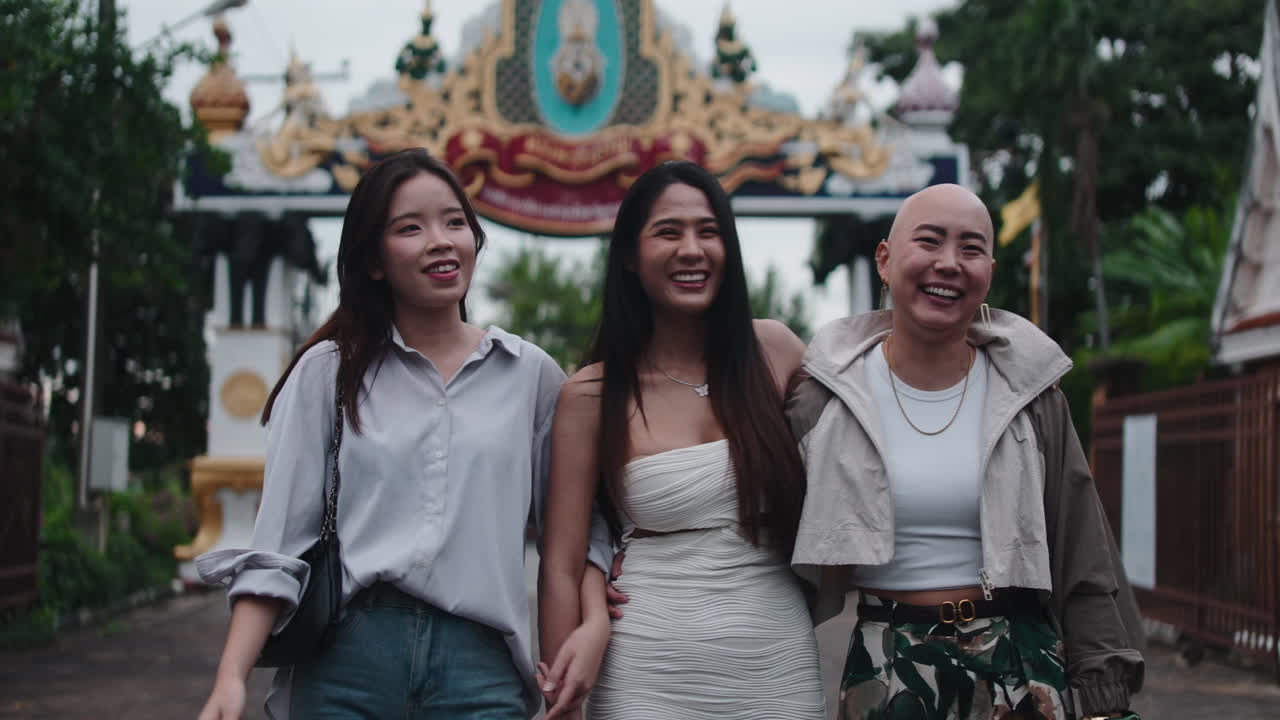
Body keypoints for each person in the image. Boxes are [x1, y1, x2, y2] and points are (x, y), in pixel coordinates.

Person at [194, 148, 612, 720]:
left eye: (454, 222)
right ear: (374, 261)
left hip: (480, 669)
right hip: (348, 661)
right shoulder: (329, 372)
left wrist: (594, 621)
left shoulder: (529, 375)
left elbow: (580, 528)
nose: (440, 241)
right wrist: (230, 677)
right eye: (410, 228)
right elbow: (278, 545)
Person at [786, 183, 1145, 719]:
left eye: (971, 248)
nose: (949, 263)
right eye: (929, 241)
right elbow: (761, 535)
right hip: (887, 669)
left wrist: (1104, 697)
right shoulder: (824, 400)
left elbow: (1082, 553)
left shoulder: (1032, 395)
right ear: (884, 260)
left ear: (989, 273)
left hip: (1019, 665)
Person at [536, 161, 826, 719]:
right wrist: (563, 699)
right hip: (646, 665)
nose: (692, 250)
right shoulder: (590, 395)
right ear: (629, 255)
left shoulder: (777, 353)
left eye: (708, 231)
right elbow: (562, 565)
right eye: (669, 232)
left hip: (777, 661)